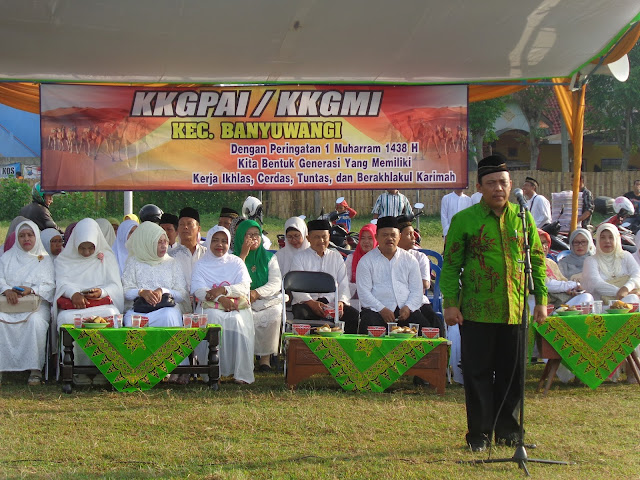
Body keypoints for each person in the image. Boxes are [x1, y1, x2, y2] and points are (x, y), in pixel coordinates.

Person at [441, 154, 547, 452]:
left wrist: (540, 299)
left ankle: (509, 432)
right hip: (476, 310)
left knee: (513, 374)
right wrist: (450, 303)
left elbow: (537, 260)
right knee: (477, 375)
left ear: (511, 185)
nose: (498, 188)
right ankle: (480, 434)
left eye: (503, 182)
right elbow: (450, 266)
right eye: (491, 183)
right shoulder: (465, 220)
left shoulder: (523, 218)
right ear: (480, 187)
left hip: (515, 310)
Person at [53, 218, 124, 385]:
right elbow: (61, 282)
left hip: (101, 305)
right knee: (66, 320)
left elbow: (115, 285)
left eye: (90, 248)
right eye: (82, 248)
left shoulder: (106, 257)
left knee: (112, 315)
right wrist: (73, 294)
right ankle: (76, 371)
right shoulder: (65, 258)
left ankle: (104, 370)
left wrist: (102, 291)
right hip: (74, 307)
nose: (86, 252)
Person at [191, 226, 255, 385]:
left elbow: (244, 287)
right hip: (210, 307)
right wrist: (221, 298)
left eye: (224, 241)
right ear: (209, 242)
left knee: (238, 322)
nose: (220, 245)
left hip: (235, 307)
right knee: (213, 319)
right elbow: (198, 290)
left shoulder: (236, 262)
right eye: (215, 240)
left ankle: (241, 374)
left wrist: (224, 290)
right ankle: (213, 373)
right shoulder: (201, 264)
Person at [0, 220, 55, 386]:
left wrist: (31, 290)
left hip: (36, 304)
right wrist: (7, 290)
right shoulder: (7, 257)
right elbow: (0, 278)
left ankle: (35, 370)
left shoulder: (44, 259)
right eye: (22, 236)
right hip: (9, 303)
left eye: (30, 235)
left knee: (35, 322)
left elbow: (50, 286)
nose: (26, 239)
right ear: (17, 238)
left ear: (36, 236)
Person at [356, 216, 428, 334]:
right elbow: (364, 293)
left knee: (426, 329)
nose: (389, 238)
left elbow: (417, 290)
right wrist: (381, 309)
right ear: (376, 237)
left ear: (399, 236)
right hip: (376, 311)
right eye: (384, 235)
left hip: (405, 311)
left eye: (393, 235)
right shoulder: (366, 261)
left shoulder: (410, 260)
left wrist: (408, 308)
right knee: (368, 326)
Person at [290, 219, 359, 334]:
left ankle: (344, 349)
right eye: (316, 237)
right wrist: (311, 303)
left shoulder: (336, 257)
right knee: (302, 314)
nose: (321, 241)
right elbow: (296, 287)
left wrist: (341, 302)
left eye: (324, 237)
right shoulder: (299, 258)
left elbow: (343, 283)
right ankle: (310, 349)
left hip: (332, 303)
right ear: (308, 238)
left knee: (353, 315)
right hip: (306, 303)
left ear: (329, 237)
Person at [233, 220, 282, 372]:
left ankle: (265, 359)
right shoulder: (233, 257)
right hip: (240, 299)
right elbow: (232, 278)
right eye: (249, 235)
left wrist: (257, 293)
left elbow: (275, 282)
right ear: (241, 236)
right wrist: (243, 254)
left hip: (264, 299)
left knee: (275, 312)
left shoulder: (269, 257)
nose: (254, 238)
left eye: (257, 234)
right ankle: (243, 357)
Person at [122, 222, 187, 327]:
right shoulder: (133, 262)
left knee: (169, 315)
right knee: (132, 321)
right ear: (147, 242)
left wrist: (163, 291)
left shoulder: (172, 263)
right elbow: (126, 292)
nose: (163, 246)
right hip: (139, 310)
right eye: (158, 242)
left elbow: (181, 295)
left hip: (165, 309)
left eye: (165, 241)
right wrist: (141, 292)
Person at [397, 215, 446, 337]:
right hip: (398, 302)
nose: (414, 237)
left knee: (436, 323)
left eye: (414, 233)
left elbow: (425, 283)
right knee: (421, 324)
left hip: (419, 300)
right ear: (398, 236)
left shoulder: (420, 257)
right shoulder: (392, 257)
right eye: (409, 234)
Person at [582, 223, 640, 304]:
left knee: (632, 298)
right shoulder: (590, 260)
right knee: (631, 299)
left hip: (629, 297)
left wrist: (626, 288)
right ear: (598, 240)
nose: (607, 241)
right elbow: (595, 283)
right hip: (603, 305)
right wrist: (619, 292)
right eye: (602, 238)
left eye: (611, 237)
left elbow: (637, 274)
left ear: (617, 238)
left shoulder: (626, 256)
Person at [537, 229, 592, 308]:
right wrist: (574, 285)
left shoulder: (550, 263)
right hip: (539, 304)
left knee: (587, 297)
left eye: (545, 243)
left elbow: (563, 282)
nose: (543, 247)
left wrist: (573, 290)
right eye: (538, 243)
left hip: (561, 301)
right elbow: (545, 284)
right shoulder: (527, 263)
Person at [169, 207, 207, 298]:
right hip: (178, 303)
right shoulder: (170, 256)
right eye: (181, 224)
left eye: (189, 224)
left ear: (198, 228)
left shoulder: (207, 254)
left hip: (204, 301)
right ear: (178, 229)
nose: (185, 227)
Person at [344, 223, 377, 299]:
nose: (366, 241)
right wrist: (362, 289)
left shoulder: (382, 259)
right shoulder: (351, 258)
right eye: (362, 238)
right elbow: (344, 282)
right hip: (355, 301)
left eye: (370, 238)